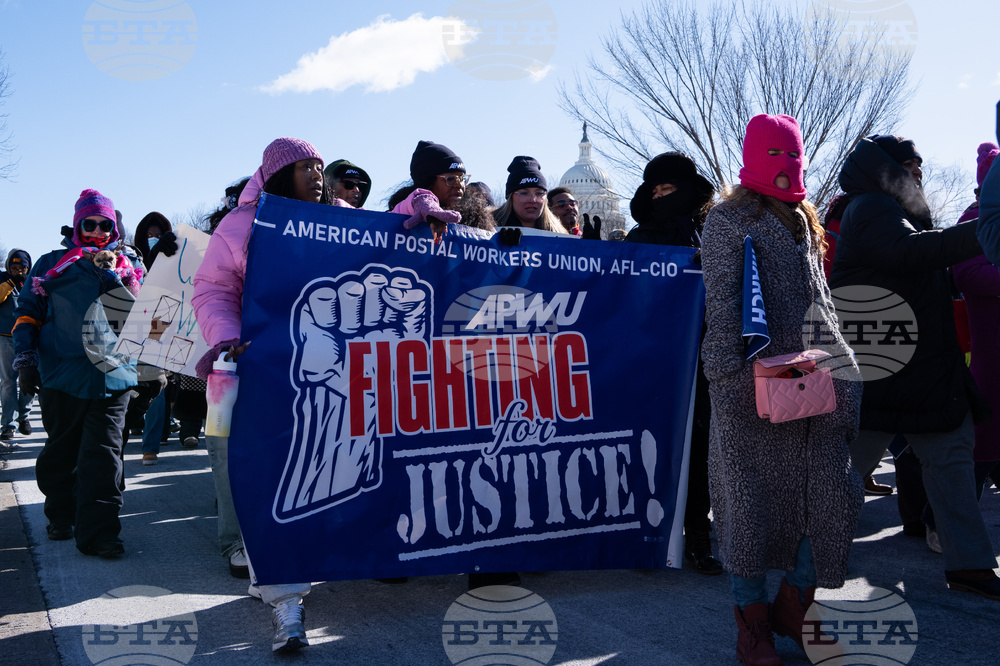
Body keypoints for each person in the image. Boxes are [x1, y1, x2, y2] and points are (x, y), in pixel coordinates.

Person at [700, 114, 864, 665]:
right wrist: (728, 380)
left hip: (811, 380)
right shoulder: (728, 220)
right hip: (750, 383)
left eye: (793, 156)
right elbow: (723, 304)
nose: (787, 166)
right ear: (752, 158)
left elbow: (825, 306)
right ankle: (752, 625)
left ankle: (795, 604)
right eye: (776, 155)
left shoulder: (803, 217)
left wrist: (845, 370)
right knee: (749, 509)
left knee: (832, 499)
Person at [192, 138, 350, 653]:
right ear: (281, 174)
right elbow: (211, 289)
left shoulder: (344, 220)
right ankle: (286, 604)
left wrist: (416, 207)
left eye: (322, 167)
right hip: (263, 373)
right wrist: (227, 335)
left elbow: (393, 238)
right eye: (307, 167)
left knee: (328, 476)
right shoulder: (241, 226)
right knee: (275, 483)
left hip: (333, 378)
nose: (318, 176)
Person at [830, 134, 1000, 600]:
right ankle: (806, 560)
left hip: (916, 367)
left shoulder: (893, 211)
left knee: (951, 461)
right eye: (909, 165)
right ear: (885, 171)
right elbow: (911, 252)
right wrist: (989, 225)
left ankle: (971, 565)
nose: (918, 173)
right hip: (885, 367)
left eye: (920, 164)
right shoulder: (870, 208)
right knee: (847, 471)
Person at [13, 189, 146, 559]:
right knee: (62, 451)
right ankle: (60, 512)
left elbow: (144, 319)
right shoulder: (51, 263)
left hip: (113, 375)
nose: (98, 230)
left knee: (104, 457)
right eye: (90, 223)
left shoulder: (128, 266)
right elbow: (28, 312)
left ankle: (101, 533)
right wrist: (25, 360)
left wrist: (160, 256)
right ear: (77, 225)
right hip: (62, 372)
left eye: (106, 224)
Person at [625, 152, 721, 575]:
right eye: (656, 191)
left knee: (699, 450)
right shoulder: (640, 236)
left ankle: (699, 537)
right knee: (650, 448)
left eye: (670, 190)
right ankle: (644, 536)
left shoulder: (714, 234)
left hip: (704, 357)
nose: (662, 197)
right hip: (653, 360)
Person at [951, 142, 1000, 496]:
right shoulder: (974, 217)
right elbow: (967, 275)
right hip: (990, 348)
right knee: (984, 442)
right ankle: (939, 521)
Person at [129, 212, 178, 464]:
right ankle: (120, 438)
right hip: (130, 322)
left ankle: (150, 447)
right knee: (124, 383)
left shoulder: (176, 254)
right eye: (149, 236)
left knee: (155, 379)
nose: (154, 239)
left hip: (160, 321)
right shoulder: (128, 257)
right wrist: (151, 255)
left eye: (158, 235)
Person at [0, 249, 33, 441]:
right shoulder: (3, 280)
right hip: (5, 337)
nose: (18, 270)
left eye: (22, 267)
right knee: (7, 382)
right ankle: (8, 425)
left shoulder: (34, 282)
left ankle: (24, 416)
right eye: (13, 267)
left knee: (30, 379)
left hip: (29, 338)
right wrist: (11, 282)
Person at [492, 156, 569, 234]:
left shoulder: (559, 234)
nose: (533, 200)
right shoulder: (488, 229)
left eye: (539, 193)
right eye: (524, 193)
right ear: (510, 197)